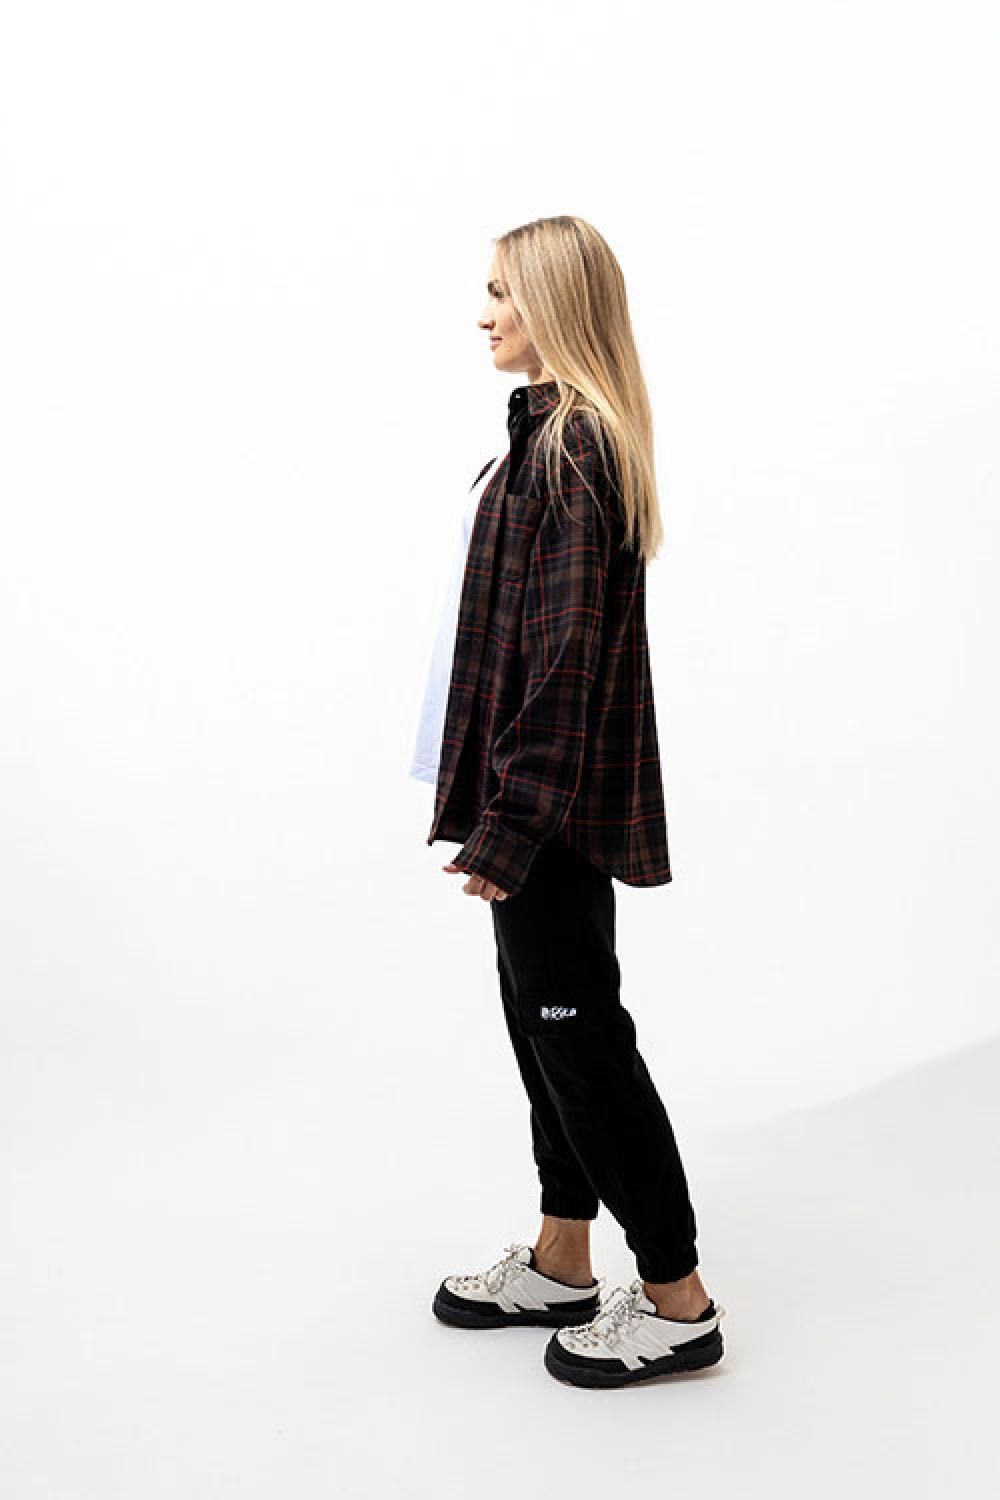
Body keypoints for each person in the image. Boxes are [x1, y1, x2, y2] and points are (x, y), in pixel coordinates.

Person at [411, 216, 727, 1389]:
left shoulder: (574, 447)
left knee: (579, 1039)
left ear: (551, 300)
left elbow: (564, 667)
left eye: (501, 291)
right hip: (523, 799)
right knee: (541, 1026)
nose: (483, 312)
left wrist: (512, 824)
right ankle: (560, 1259)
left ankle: (679, 1301)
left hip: (544, 811)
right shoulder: (542, 435)